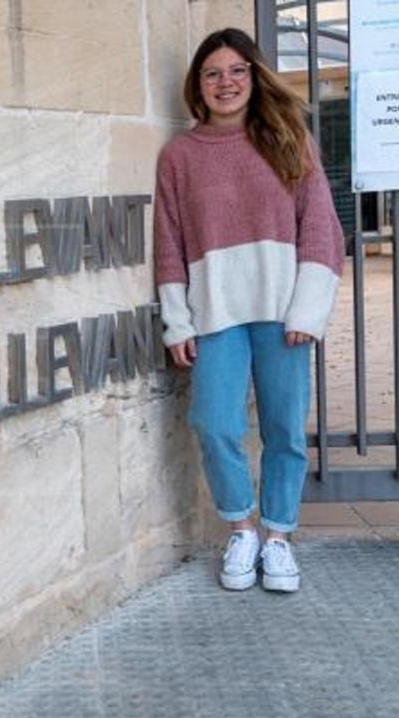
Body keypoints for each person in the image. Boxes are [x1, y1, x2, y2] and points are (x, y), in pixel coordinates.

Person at [153, 28, 344, 592]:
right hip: (215, 312)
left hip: (284, 311)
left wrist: (308, 308)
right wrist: (176, 320)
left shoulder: (289, 138)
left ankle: (279, 536)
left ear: (254, 77)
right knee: (214, 424)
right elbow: (167, 242)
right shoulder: (179, 157)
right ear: (198, 85)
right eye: (213, 73)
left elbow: (321, 227)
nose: (225, 83)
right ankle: (242, 528)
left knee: (285, 428)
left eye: (237, 70)